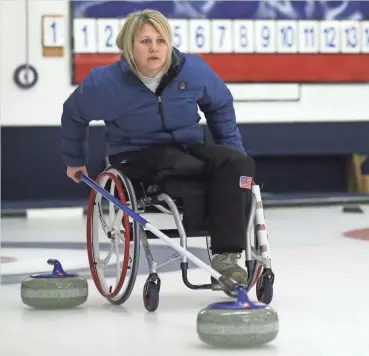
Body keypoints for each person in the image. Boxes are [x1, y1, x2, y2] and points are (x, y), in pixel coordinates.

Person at [61, 9, 255, 285]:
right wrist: (75, 159)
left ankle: (227, 257)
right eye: (145, 41)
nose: (155, 48)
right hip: (134, 155)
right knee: (177, 164)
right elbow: (73, 113)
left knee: (238, 164)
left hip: (187, 147)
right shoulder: (104, 82)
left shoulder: (192, 69)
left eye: (161, 41)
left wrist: (232, 150)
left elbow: (220, 104)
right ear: (129, 46)